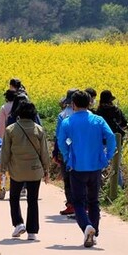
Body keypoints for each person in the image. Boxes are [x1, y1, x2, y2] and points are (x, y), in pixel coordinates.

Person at [57, 90, 117, 248]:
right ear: (90, 103)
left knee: (78, 202)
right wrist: (107, 156)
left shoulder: (67, 122)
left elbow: (62, 142)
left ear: (73, 104)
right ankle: (94, 231)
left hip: (77, 167)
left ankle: (86, 227)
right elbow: (111, 138)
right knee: (93, 201)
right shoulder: (98, 120)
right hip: (96, 166)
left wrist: (67, 156)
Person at [3, 101, 50, 241]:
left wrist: (3, 168)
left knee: (14, 197)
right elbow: (44, 153)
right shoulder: (39, 129)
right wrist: (47, 170)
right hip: (35, 170)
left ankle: (18, 223)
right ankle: (32, 232)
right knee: (33, 200)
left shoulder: (10, 130)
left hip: (17, 170)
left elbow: (5, 152)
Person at [53, 88, 78, 216]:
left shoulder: (62, 115)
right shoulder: (89, 115)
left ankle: (71, 205)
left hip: (66, 151)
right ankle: (82, 205)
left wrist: (56, 152)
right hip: (82, 151)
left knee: (68, 180)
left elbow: (59, 136)